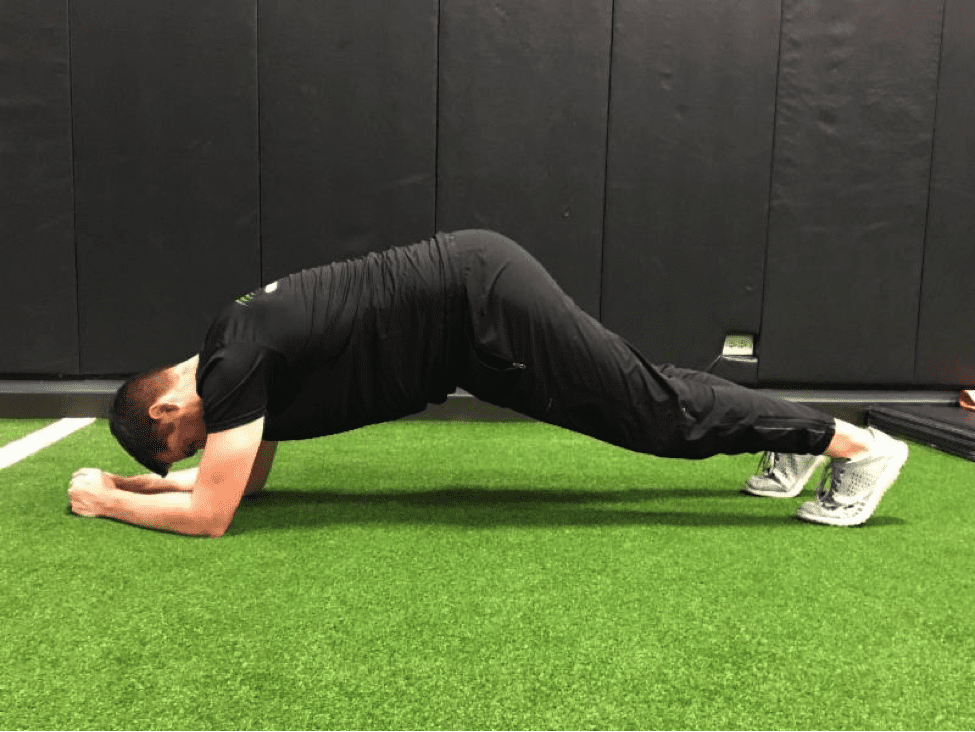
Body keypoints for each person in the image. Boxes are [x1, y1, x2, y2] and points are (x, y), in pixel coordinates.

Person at [68, 230, 909, 536]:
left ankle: (856, 447)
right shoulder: (231, 340)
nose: (207, 446)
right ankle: (792, 447)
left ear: (174, 405)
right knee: (648, 402)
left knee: (655, 412)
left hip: (480, 308)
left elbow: (213, 515)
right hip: (471, 326)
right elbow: (239, 483)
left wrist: (109, 503)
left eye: (190, 440)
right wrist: (154, 481)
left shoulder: (234, 361)